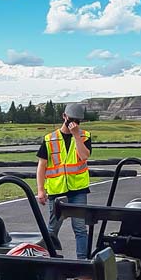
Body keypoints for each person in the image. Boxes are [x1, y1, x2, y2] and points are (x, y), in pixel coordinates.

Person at [36, 102, 93, 258]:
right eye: (71, 119)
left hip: (78, 190)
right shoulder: (49, 139)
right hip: (57, 190)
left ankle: (82, 264)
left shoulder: (84, 136)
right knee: (52, 228)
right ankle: (45, 259)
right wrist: (40, 189)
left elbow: (84, 156)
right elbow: (42, 165)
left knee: (80, 228)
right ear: (64, 117)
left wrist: (76, 136)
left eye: (78, 121)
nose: (74, 123)